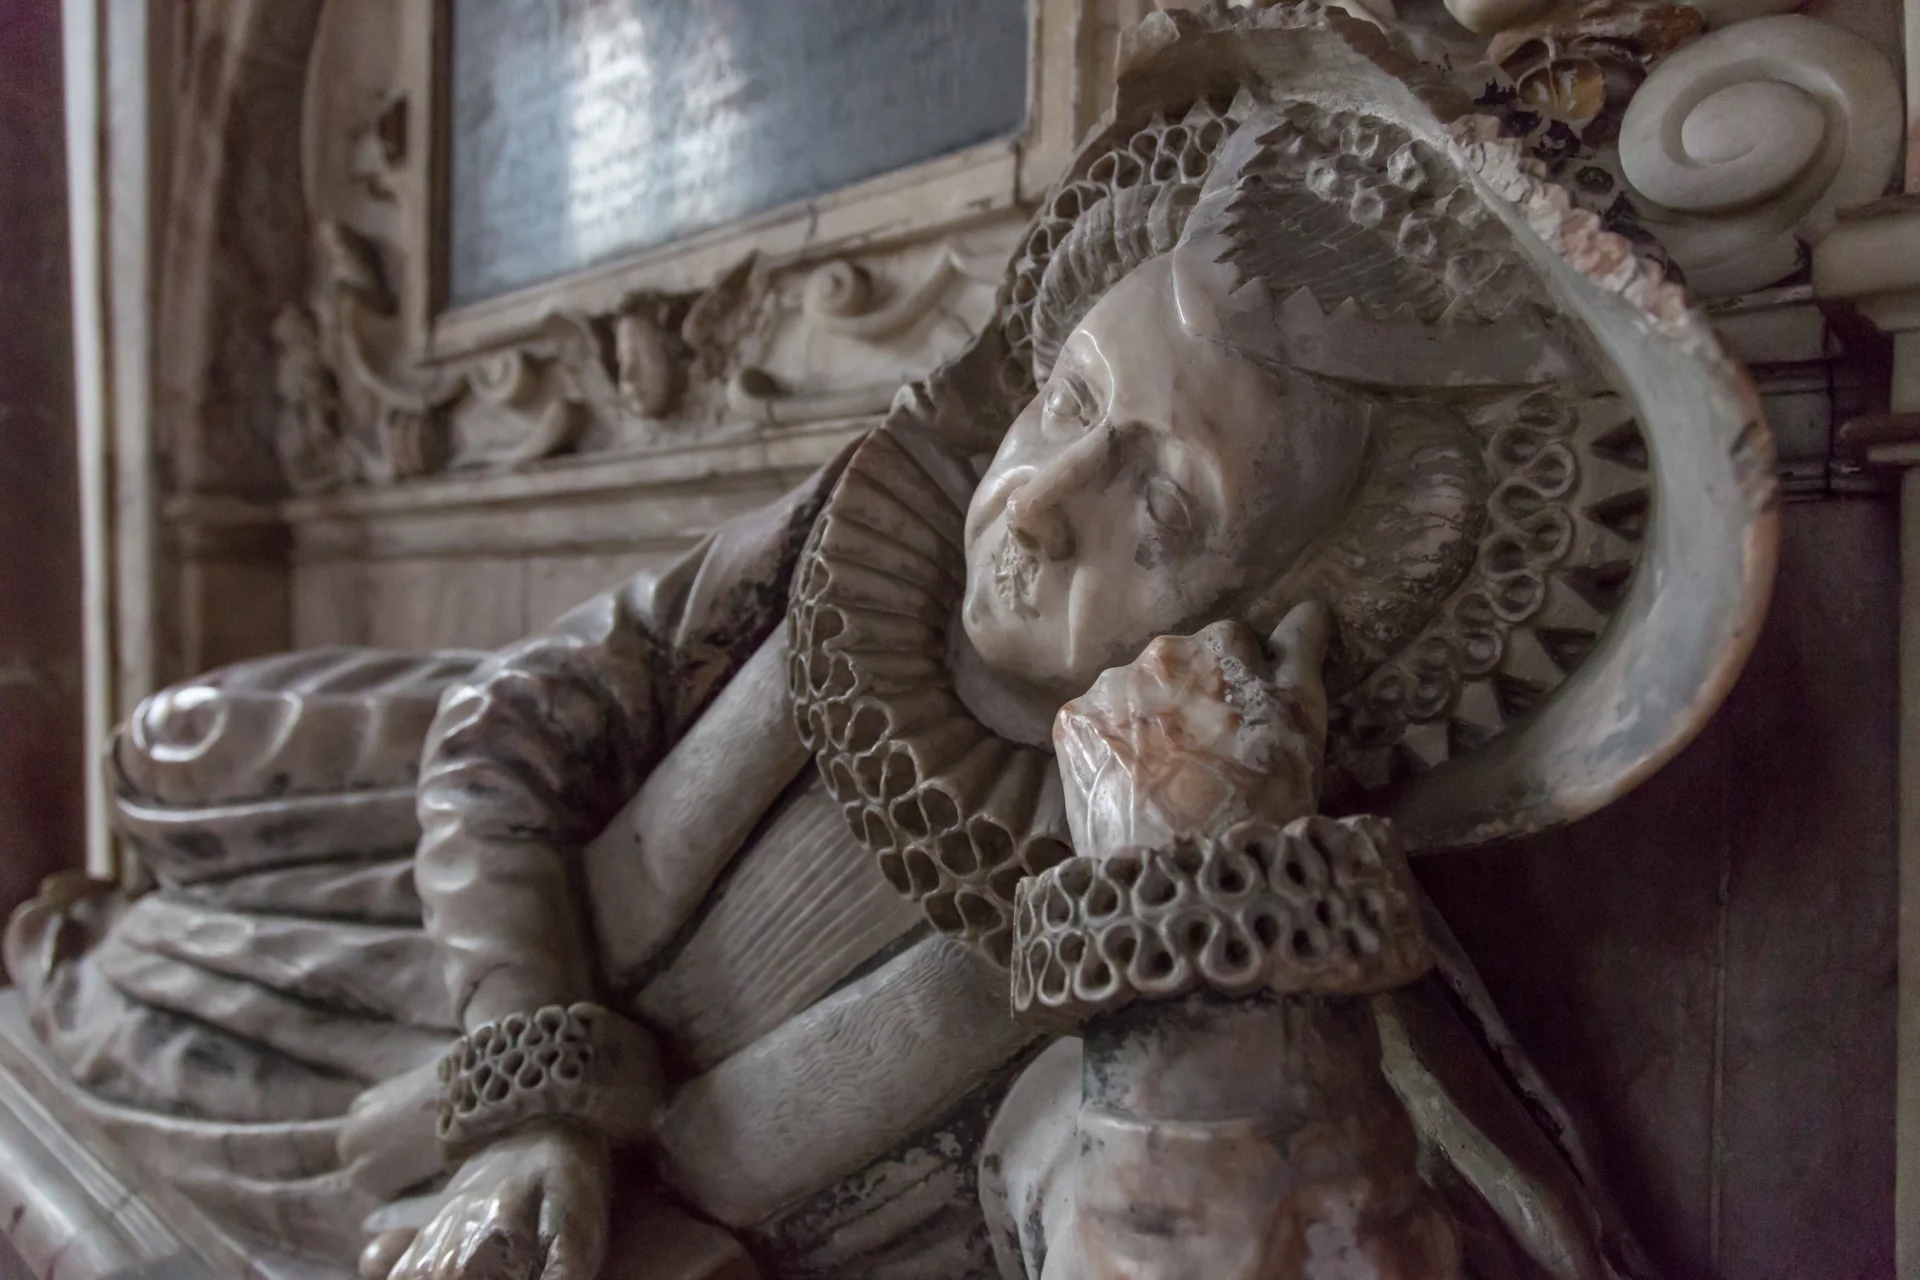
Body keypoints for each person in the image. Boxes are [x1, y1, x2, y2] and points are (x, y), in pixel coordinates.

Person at [9, 6, 1775, 1278]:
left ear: (1295, 630)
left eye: (1159, 513)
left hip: (606, 1197)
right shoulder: (878, 533)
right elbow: (523, 717)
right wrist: (527, 1078)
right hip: (473, 988)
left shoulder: (1165, 930)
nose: (1043, 500)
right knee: (160, 781)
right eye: (1071, 399)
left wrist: (1195, 892)